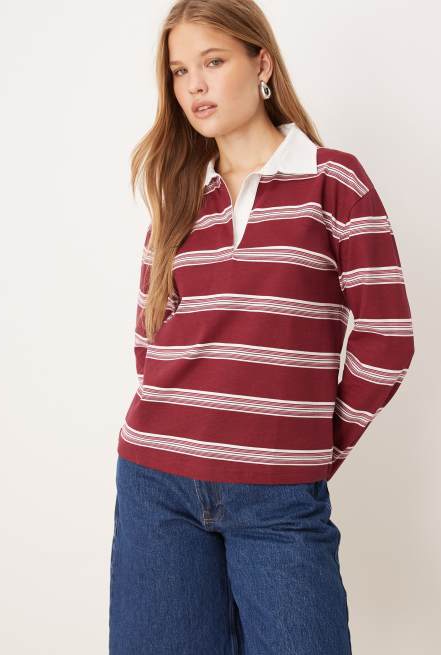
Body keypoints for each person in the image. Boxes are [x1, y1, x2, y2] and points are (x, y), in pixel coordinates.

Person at [109, 1, 415, 653]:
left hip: (279, 498)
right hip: (156, 482)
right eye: (179, 71)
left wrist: (313, 445)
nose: (194, 85)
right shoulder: (179, 197)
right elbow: (150, 341)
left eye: (213, 61)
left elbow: (387, 336)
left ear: (262, 64)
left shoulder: (334, 181)